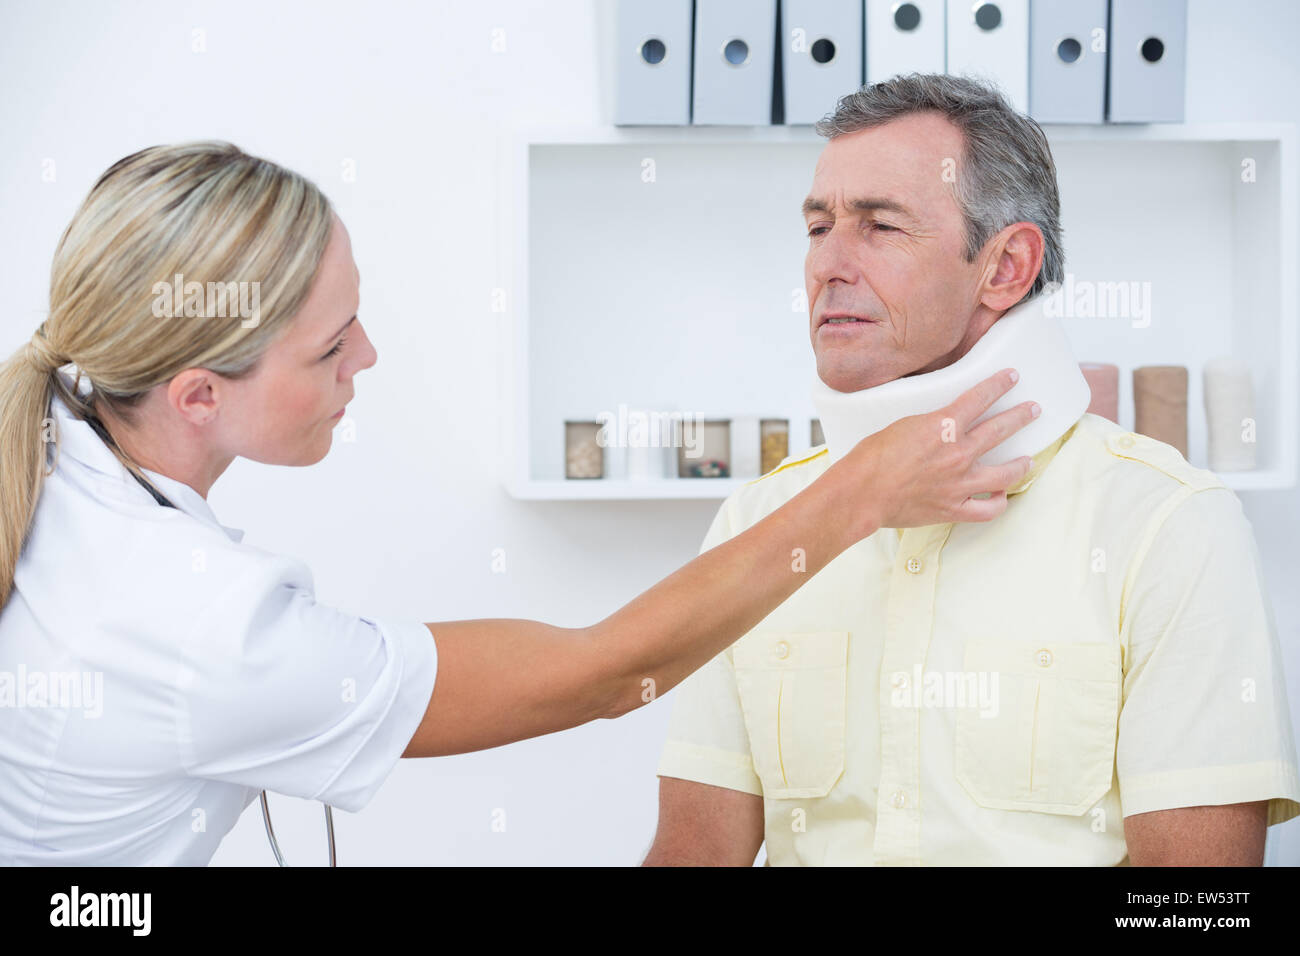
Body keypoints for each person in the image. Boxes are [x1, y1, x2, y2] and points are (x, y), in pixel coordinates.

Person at [0, 140, 1039, 865]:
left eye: (354, 317)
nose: (367, 355)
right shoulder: (198, 626)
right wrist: (859, 493)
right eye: (330, 345)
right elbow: (601, 674)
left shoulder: (61, 433)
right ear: (195, 395)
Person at [645, 73, 1300, 867]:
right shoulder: (760, 522)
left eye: (880, 226)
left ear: (1005, 267)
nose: (828, 266)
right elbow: (693, 851)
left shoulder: (1167, 525)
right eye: (819, 228)